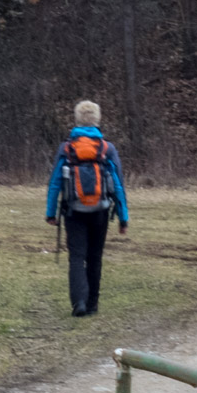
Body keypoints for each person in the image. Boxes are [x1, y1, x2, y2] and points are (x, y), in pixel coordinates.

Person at [45, 100, 129, 317]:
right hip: (100, 211)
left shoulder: (66, 148)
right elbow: (118, 184)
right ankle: (92, 304)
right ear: (97, 119)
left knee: (76, 257)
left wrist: (50, 212)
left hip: (74, 211)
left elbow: (55, 182)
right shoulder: (106, 148)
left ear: (77, 119)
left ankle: (78, 303)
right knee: (95, 257)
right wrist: (123, 217)